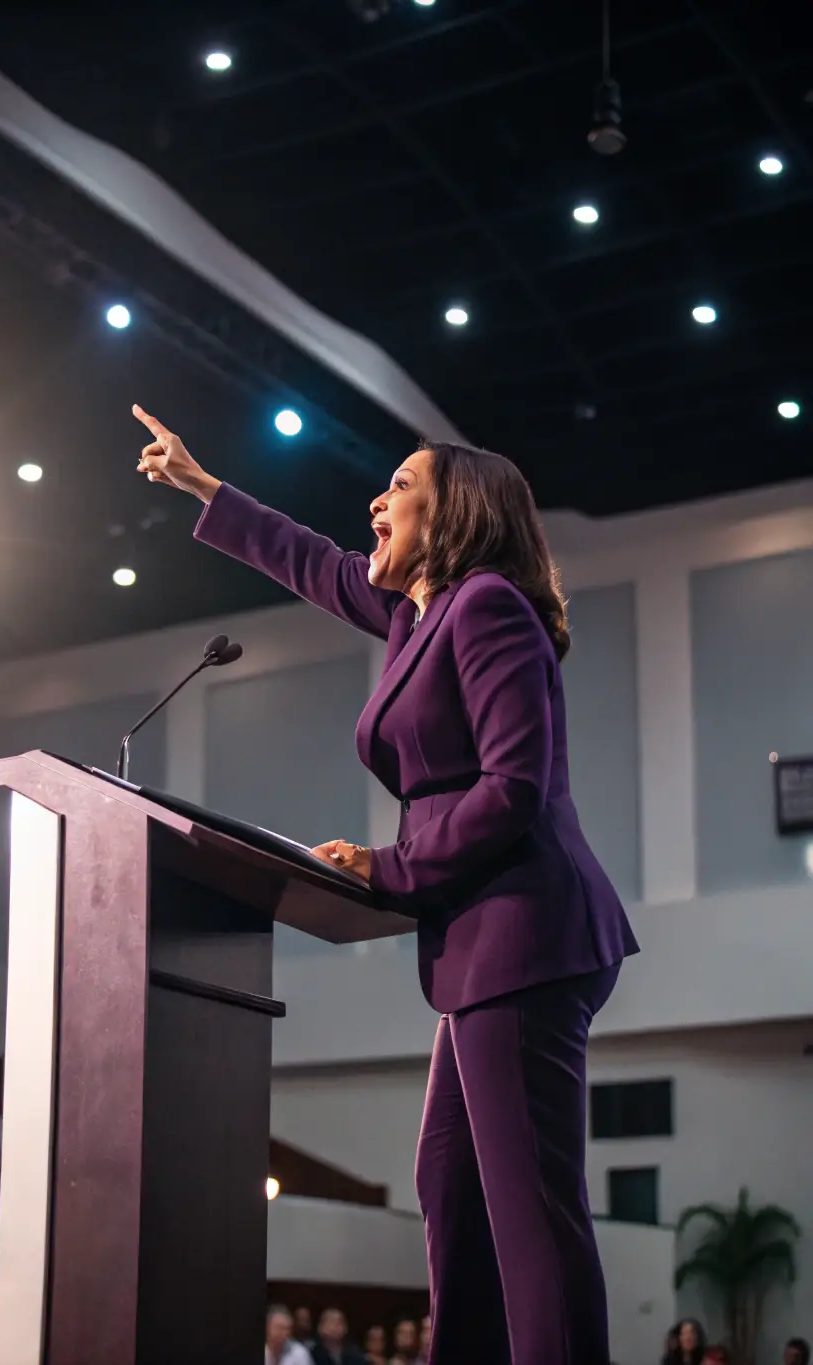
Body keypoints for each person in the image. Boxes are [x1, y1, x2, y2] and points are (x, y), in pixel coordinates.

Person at [133, 406, 639, 1365]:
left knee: (532, 1217)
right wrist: (206, 488)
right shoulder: (421, 615)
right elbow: (316, 563)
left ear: (457, 517)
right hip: (482, 942)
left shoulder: (487, 604)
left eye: (400, 486)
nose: (375, 499)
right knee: (449, 1182)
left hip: (524, 933)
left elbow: (514, 788)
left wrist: (389, 869)